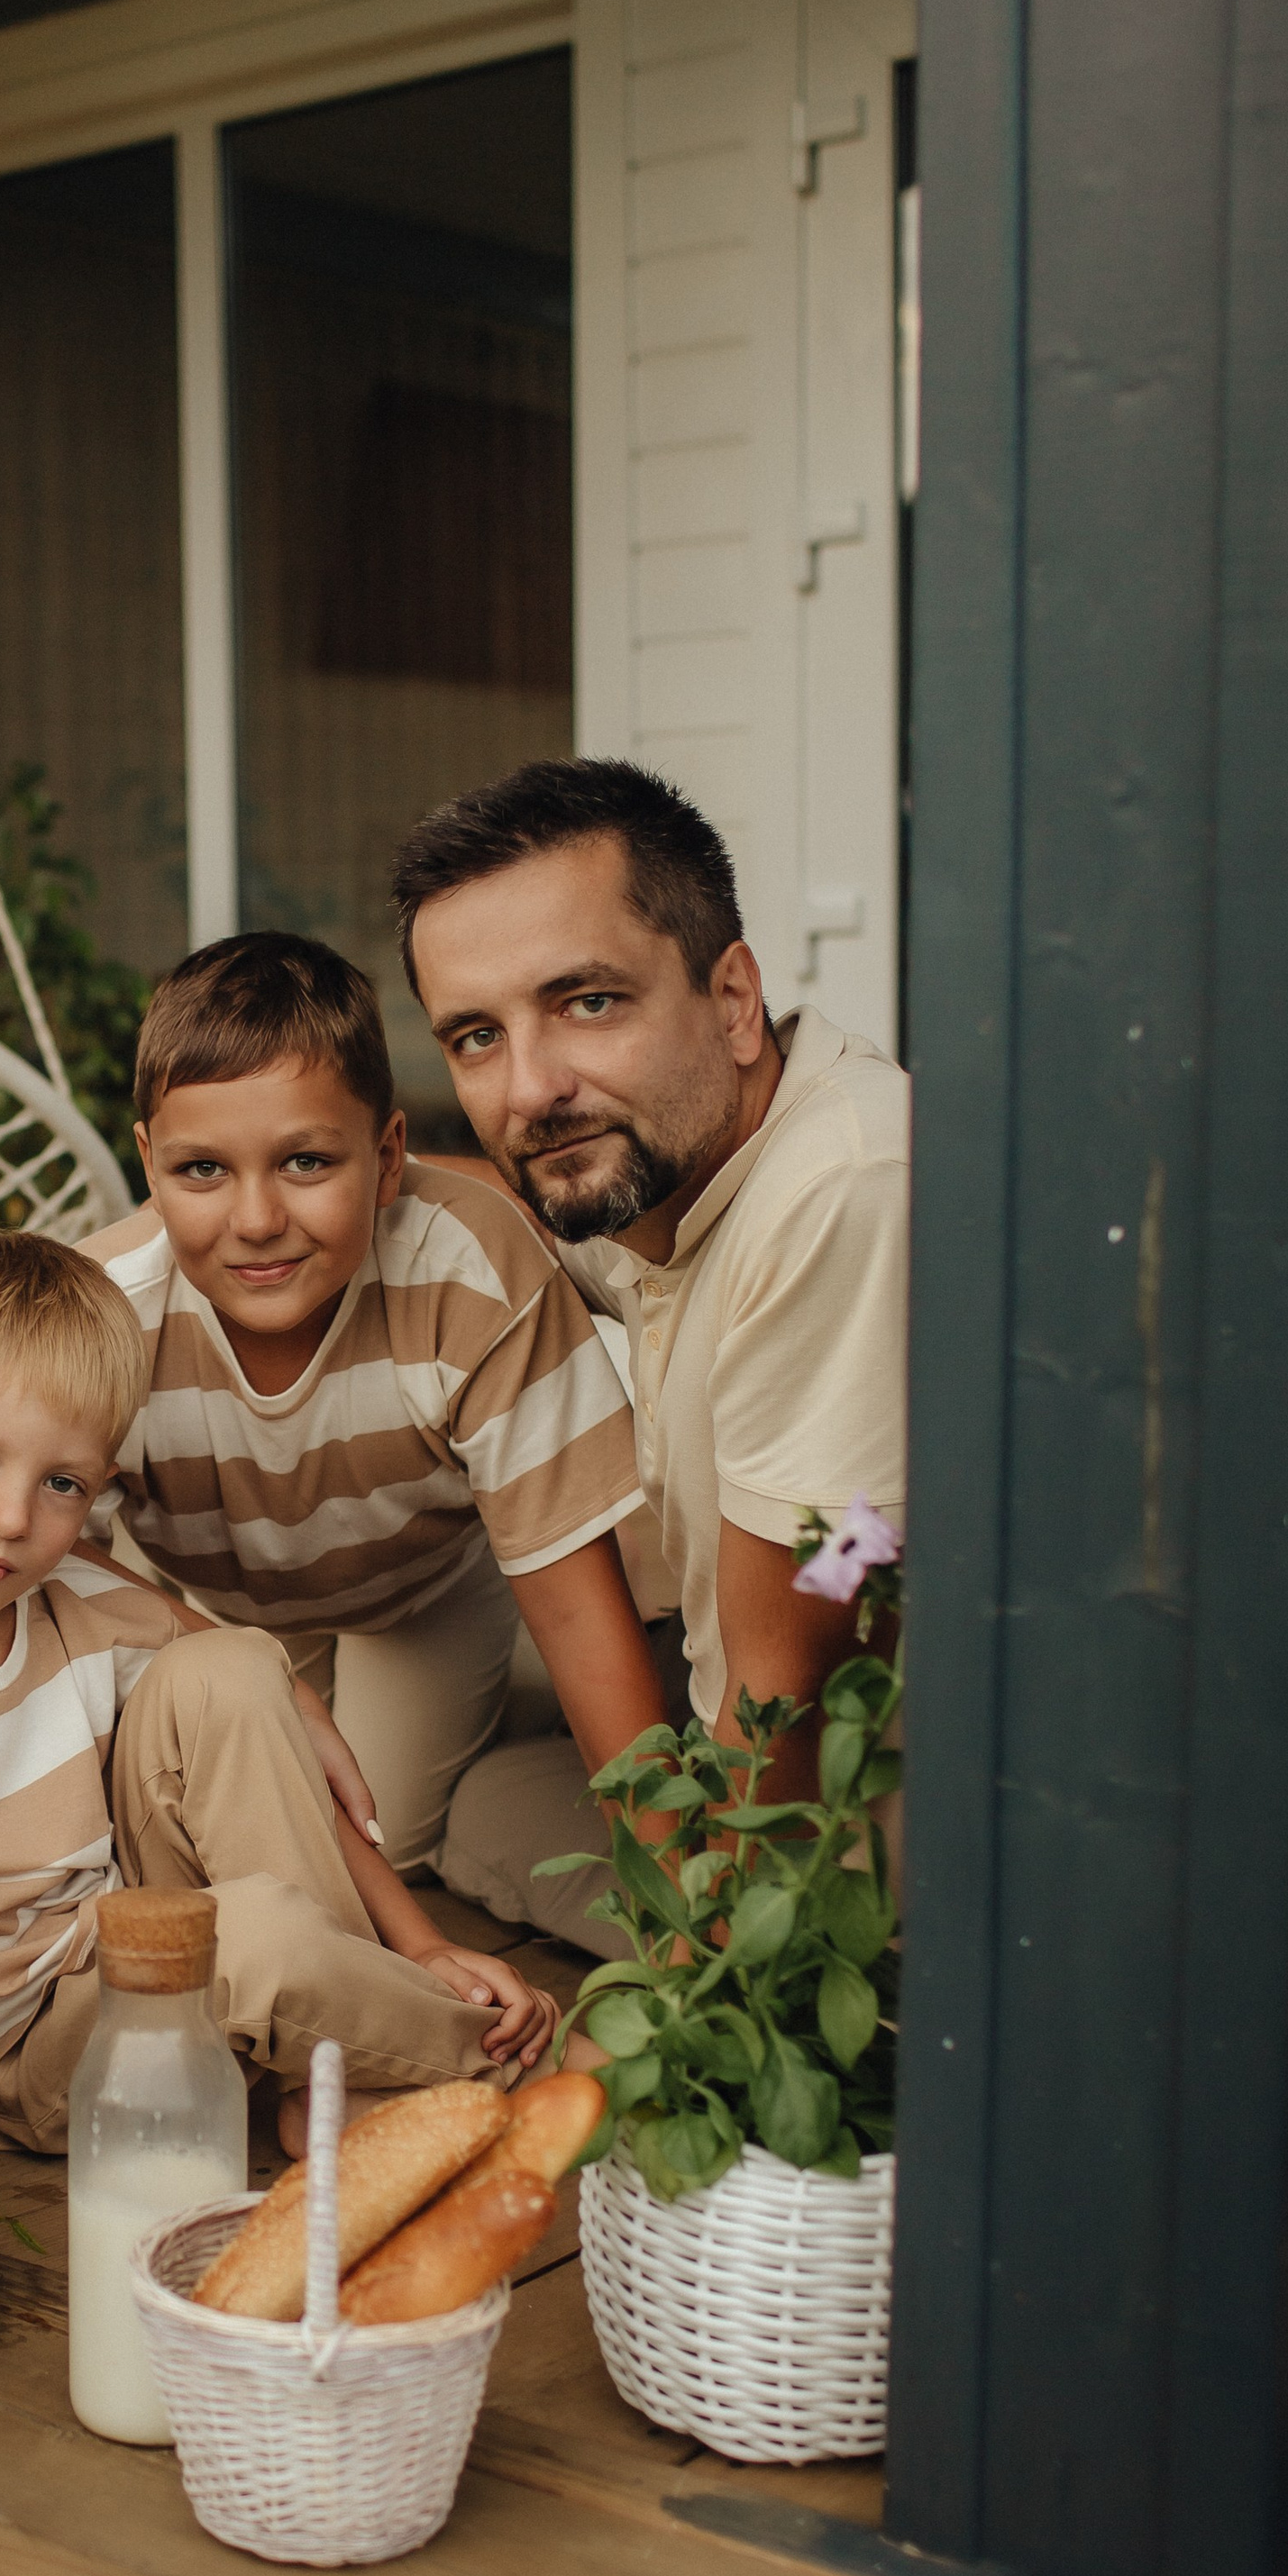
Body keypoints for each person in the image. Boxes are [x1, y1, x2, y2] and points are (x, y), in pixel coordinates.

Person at [0, 1232, 560, 2158]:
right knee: (249, 1941)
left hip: (113, 1944)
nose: (12, 1518)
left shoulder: (76, 1601)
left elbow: (253, 1720)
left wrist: (420, 1943)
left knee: (229, 1666)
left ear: (99, 1488)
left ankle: (333, 2066)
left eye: (60, 1483)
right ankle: (509, 2069)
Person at [388, 756, 908, 1950]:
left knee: (492, 1820)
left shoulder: (840, 1186)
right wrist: (264, 1191)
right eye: (476, 1036)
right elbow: (490, 1208)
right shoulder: (666, 1170)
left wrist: (698, 1984)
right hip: (743, 1691)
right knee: (486, 1788)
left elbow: (792, 1681)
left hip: (898, 1784)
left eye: (589, 1003)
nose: (532, 1092)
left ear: (731, 1001)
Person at [78, 933, 666, 1890]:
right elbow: (41, 1550)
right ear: (148, 1163)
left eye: (306, 1162)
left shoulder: (468, 1273)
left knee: (374, 1853)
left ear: (388, 1155)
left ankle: (498, 1710)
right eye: (201, 1172)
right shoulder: (102, 1314)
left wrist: (679, 1895)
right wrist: (211, 1653)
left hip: (419, 1589)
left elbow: (571, 1599)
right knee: (243, 1851)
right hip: (220, 1607)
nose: (258, 1219)